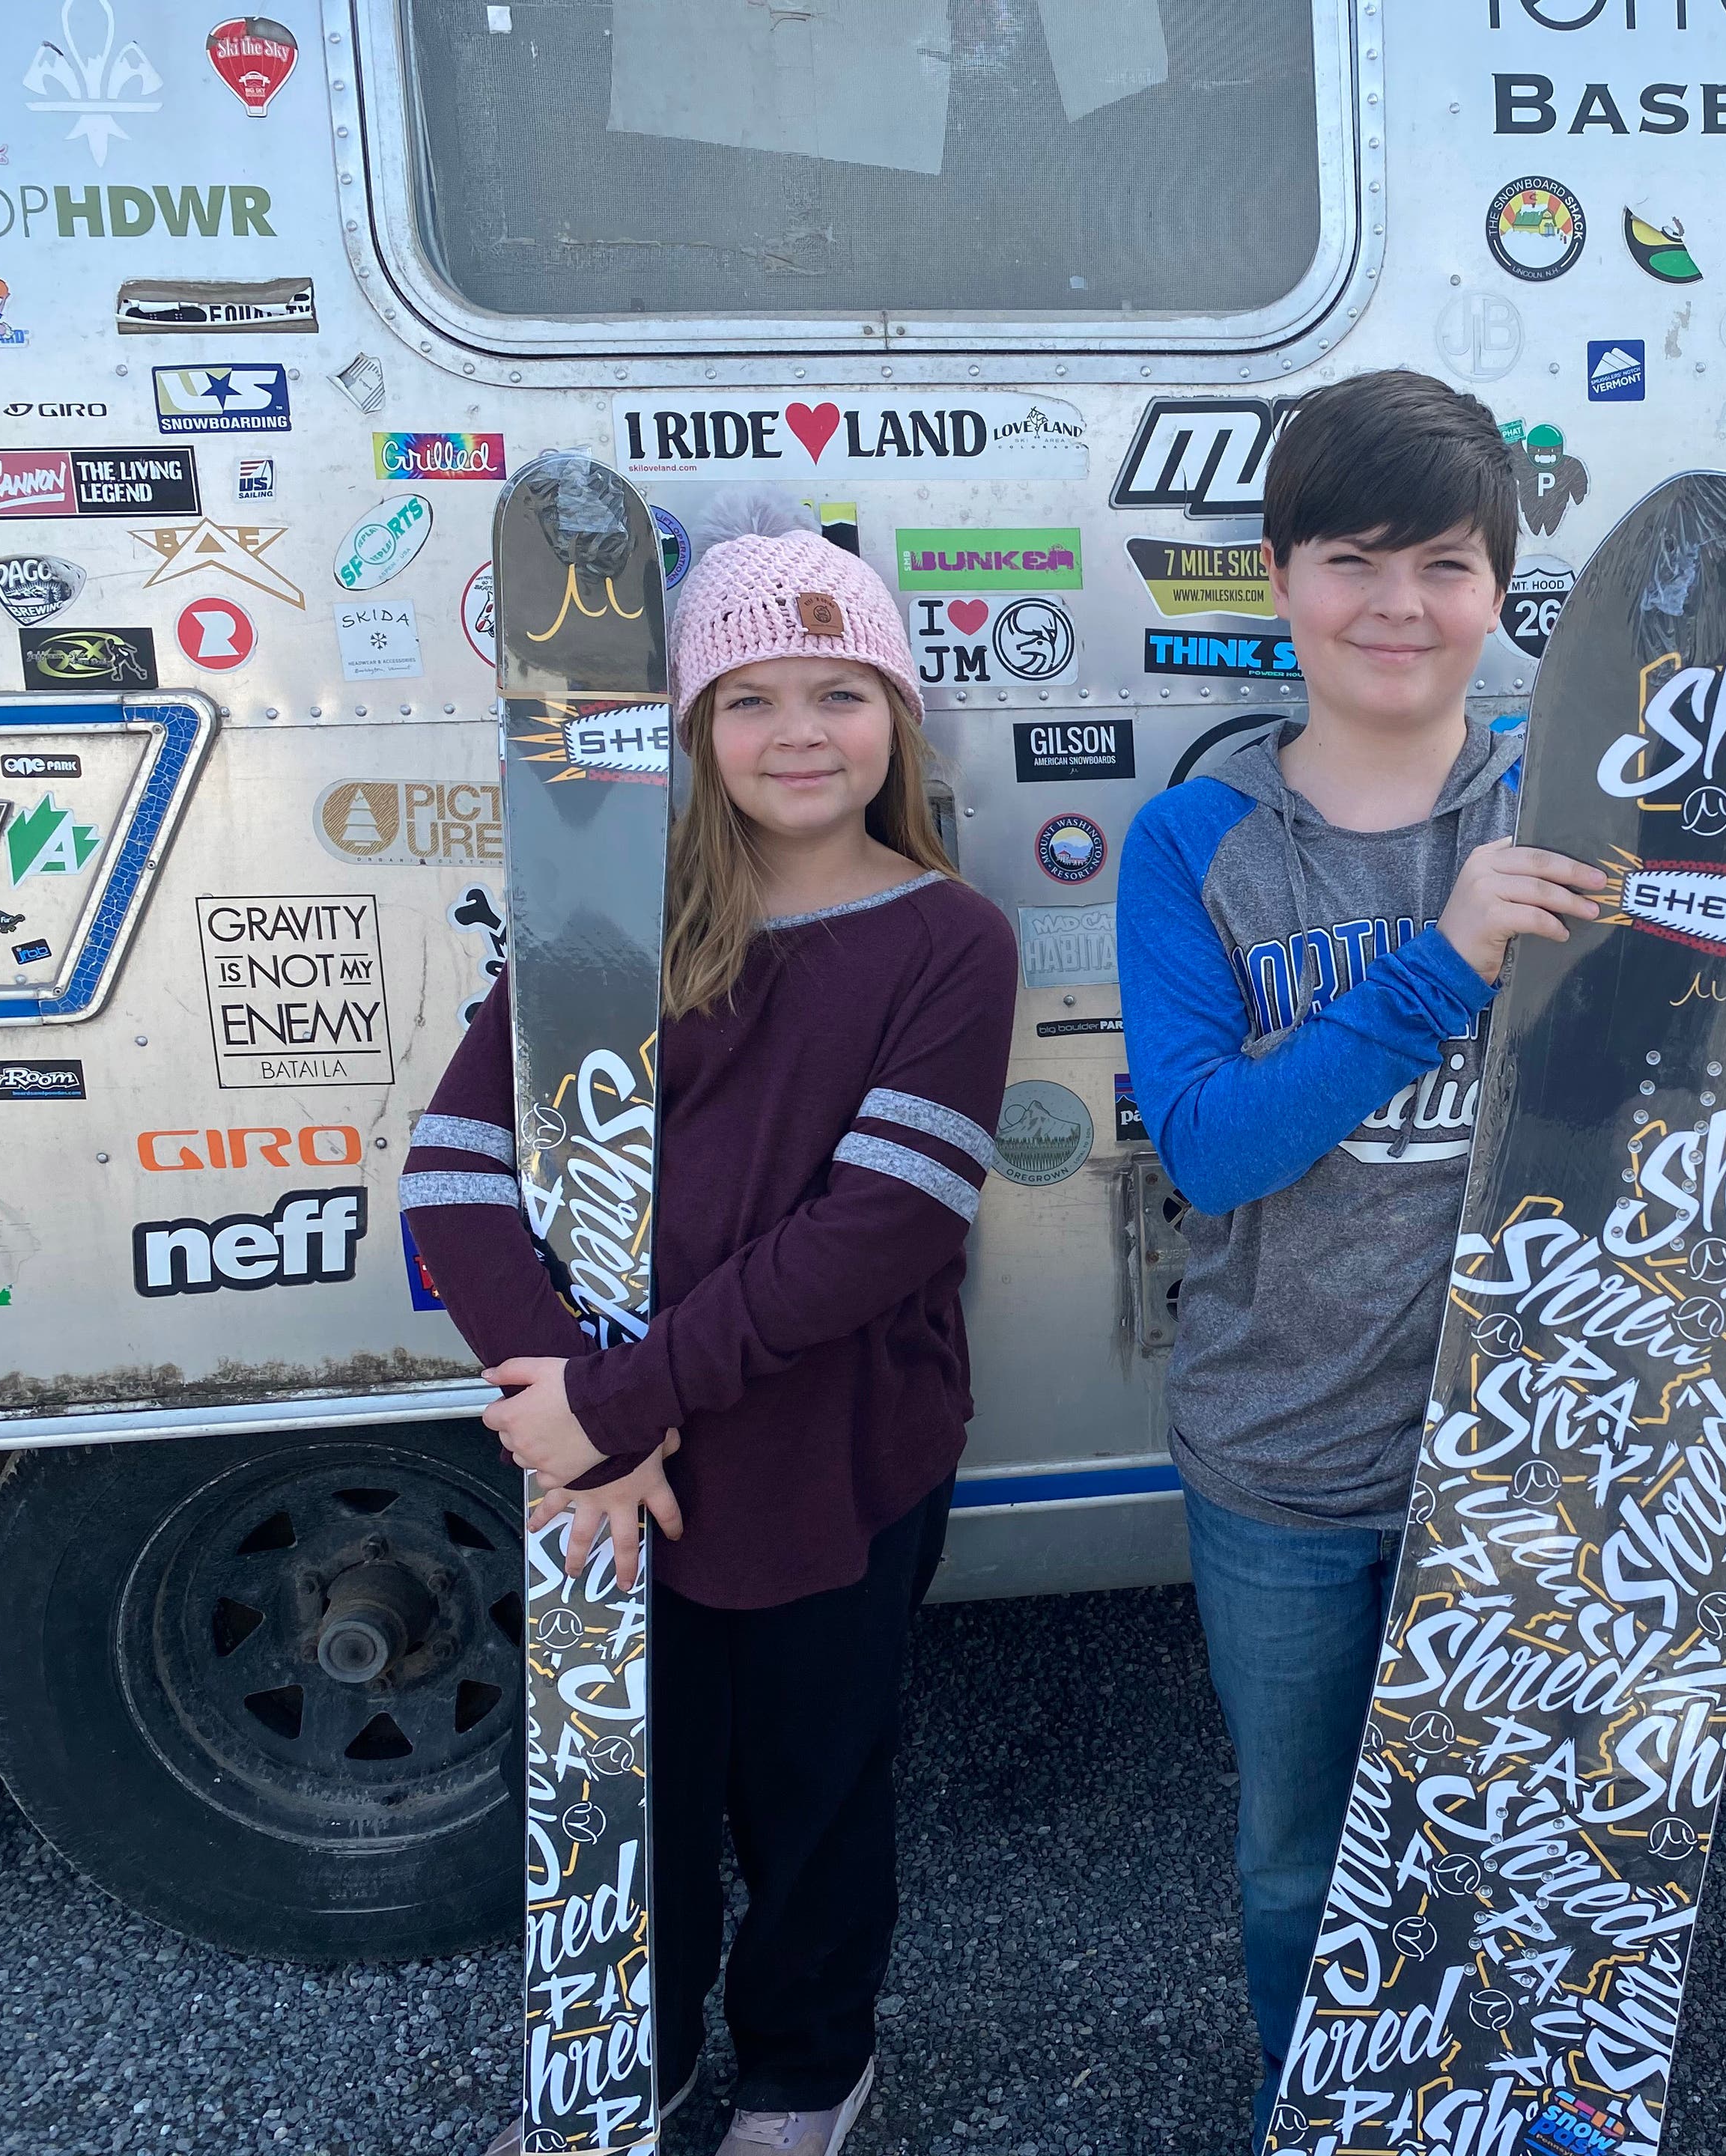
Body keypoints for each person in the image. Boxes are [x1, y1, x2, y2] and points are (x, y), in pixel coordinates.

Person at [1115, 367, 1726, 2146]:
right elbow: (1212, 1146)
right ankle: (1325, 2109)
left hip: (1550, 1461)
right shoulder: (1199, 842)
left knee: (1531, 1837)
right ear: (1278, 576)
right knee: (1302, 1853)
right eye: (1353, 559)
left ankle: (1513, 2095)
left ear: (1500, 592)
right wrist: (1441, 967)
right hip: (1283, 1460)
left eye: (1445, 565)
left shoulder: (1592, 814)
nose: (1397, 605)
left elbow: (1699, 1096)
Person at [407, 494, 1016, 2156]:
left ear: (896, 718)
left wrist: (618, 1406)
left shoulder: (948, 937)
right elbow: (454, 1175)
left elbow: (882, 1228)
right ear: (694, 728)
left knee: (816, 1791)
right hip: (617, 1472)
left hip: (834, 1448)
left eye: (840, 692)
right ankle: (640, 2056)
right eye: (750, 698)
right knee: (634, 1790)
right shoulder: (609, 927)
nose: (798, 732)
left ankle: (809, 2069)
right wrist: (572, 1411)